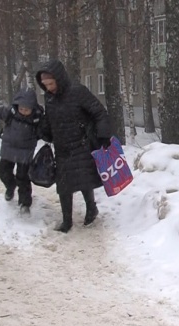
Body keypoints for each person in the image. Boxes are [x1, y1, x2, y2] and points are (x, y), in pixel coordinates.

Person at [35, 59, 112, 233]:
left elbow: (99, 112)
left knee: (84, 180)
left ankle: (91, 208)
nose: (48, 88)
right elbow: (50, 119)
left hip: (81, 144)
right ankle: (67, 221)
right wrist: (43, 129)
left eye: (51, 83)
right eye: (45, 85)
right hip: (62, 147)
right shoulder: (49, 97)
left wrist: (104, 135)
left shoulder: (78, 92)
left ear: (59, 79)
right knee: (63, 186)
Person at [0, 88, 44, 215]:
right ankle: (10, 186)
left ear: (33, 108)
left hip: (25, 152)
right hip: (9, 149)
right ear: (17, 105)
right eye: (21, 109)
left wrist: (46, 134)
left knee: (23, 178)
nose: (24, 112)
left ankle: (25, 203)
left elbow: (44, 131)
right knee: (2, 169)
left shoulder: (37, 118)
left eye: (27, 109)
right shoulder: (10, 112)